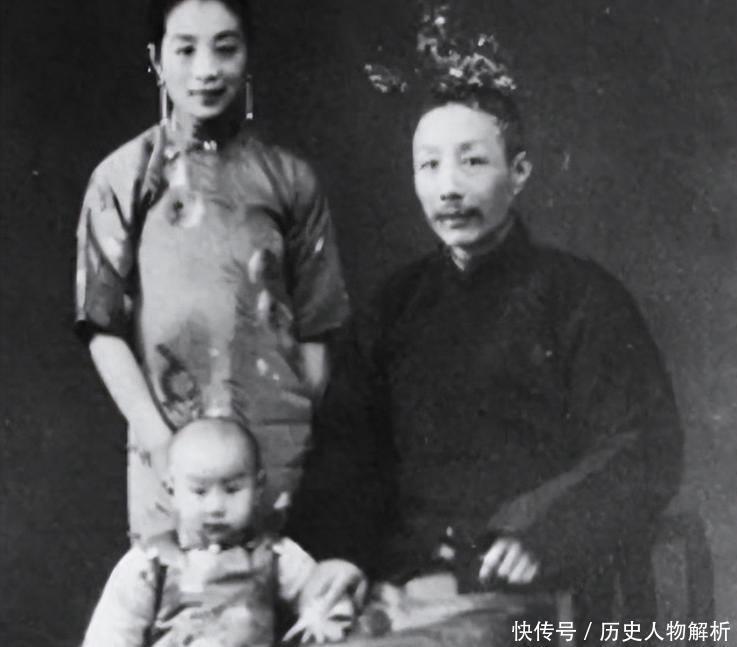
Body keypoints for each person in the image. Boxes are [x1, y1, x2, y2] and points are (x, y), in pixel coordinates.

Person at [290, 40, 684, 638]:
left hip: (532, 588)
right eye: (429, 166)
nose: (448, 188)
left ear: (519, 172)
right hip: (405, 584)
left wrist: (539, 530)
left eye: (472, 162)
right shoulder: (394, 306)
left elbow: (642, 446)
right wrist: (343, 553)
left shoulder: (579, 297)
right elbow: (348, 451)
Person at [74, 0, 350, 544]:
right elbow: (100, 324)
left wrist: (293, 432)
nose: (206, 69)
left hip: (276, 448)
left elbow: (319, 324)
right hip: (169, 447)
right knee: (176, 586)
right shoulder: (124, 175)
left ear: (248, 54)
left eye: (225, 48)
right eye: (185, 49)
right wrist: (158, 439)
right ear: (157, 59)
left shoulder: (290, 180)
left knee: (283, 585)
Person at [82, 418, 363, 646]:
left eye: (232, 490)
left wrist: (322, 617)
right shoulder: (151, 563)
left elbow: (325, 599)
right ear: (172, 490)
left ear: (258, 488)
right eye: (199, 491)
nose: (216, 507)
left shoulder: (278, 556)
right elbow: (112, 633)